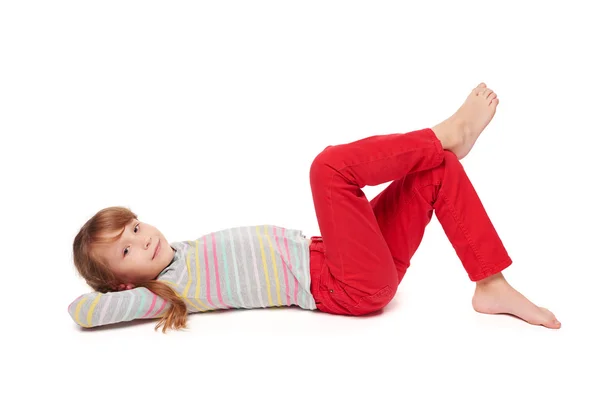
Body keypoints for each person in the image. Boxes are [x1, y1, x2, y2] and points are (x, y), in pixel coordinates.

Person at [69, 83, 560, 333]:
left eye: (133, 226)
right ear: (122, 282)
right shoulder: (165, 290)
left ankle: (490, 285)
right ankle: (444, 135)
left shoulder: (180, 251)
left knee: (438, 172)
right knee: (328, 169)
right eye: (127, 249)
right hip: (345, 283)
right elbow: (82, 311)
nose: (142, 237)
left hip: (348, 257)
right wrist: (115, 292)